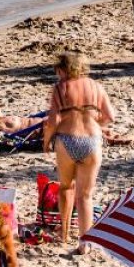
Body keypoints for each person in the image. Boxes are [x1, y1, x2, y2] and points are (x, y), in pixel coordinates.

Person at [42, 51, 113, 250]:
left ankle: (64, 234)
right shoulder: (97, 87)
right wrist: (96, 122)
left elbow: (53, 121)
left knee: (65, 187)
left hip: (66, 140)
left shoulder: (60, 88)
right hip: (92, 141)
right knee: (85, 196)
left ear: (63, 69)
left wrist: (46, 142)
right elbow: (110, 116)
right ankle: (85, 243)